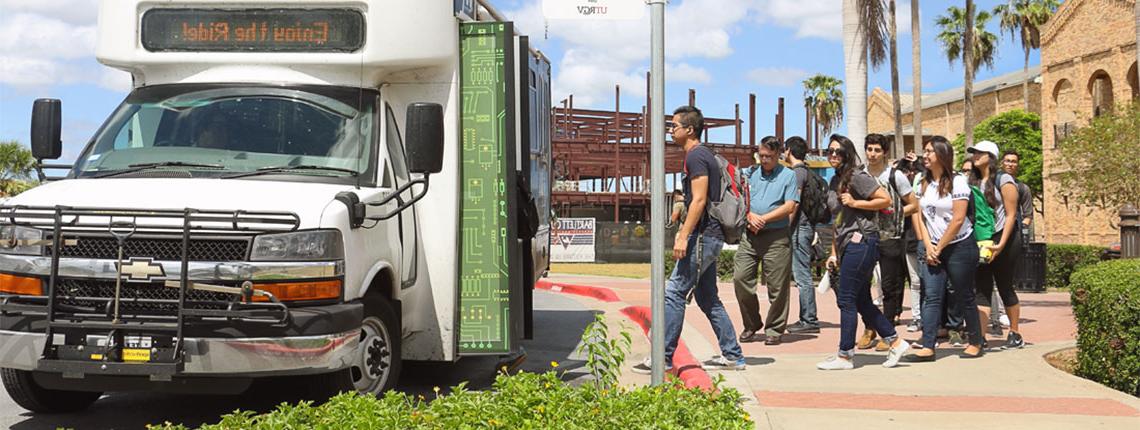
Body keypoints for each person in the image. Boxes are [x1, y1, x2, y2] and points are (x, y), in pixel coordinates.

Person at [632, 106, 745, 374]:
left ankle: (662, 356)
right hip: (710, 236)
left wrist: (683, 236)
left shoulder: (696, 156)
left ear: (689, 130)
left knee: (674, 293)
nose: (671, 131)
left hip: (703, 236)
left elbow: (700, 200)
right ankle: (733, 355)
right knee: (707, 298)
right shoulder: (702, 155)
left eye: (675, 126)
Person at [816, 134, 910, 370]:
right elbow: (838, 220)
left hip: (863, 242)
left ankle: (845, 355)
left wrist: (856, 203)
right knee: (861, 301)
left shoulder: (857, 176)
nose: (833, 156)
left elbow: (885, 199)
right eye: (830, 152)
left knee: (846, 299)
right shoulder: (835, 180)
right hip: (848, 244)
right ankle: (895, 342)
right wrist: (834, 252)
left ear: (848, 154)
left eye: (838, 152)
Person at [907, 136, 986, 362]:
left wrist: (939, 247)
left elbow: (958, 219)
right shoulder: (923, 181)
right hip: (933, 247)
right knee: (931, 296)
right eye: (925, 151)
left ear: (942, 154)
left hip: (959, 246)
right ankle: (928, 345)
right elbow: (919, 215)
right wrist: (928, 244)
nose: (926, 155)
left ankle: (975, 341)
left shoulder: (958, 181)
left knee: (964, 295)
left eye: (930, 151)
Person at [733, 136, 798, 345]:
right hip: (749, 235)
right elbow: (738, 197)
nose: (764, 160)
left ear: (778, 155)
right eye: (761, 155)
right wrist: (749, 216)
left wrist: (764, 219)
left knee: (777, 287)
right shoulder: (750, 173)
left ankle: (774, 329)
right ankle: (752, 323)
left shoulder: (788, 176)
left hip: (777, 237)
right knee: (740, 278)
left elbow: (790, 206)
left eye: (769, 156)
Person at [862, 134, 919, 352]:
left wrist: (893, 215)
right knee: (862, 285)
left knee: (890, 286)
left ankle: (888, 332)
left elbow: (913, 204)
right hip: (866, 236)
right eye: (869, 149)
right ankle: (869, 327)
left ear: (885, 152)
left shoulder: (895, 176)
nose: (873, 154)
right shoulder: (861, 174)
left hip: (892, 237)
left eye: (877, 150)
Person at [968, 141, 1026, 349]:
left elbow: (1011, 215)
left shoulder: (1004, 179)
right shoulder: (973, 181)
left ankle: (1015, 332)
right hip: (982, 240)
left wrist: (1001, 244)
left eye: (979, 153)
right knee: (981, 288)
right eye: (973, 153)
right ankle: (981, 336)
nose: (975, 156)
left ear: (990, 156)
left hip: (1005, 239)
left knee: (1004, 286)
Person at [784, 136, 821, 335]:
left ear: (788, 150)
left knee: (802, 275)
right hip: (806, 227)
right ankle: (807, 317)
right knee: (801, 274)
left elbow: (794, 203)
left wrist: (785, 228)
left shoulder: (797, 173)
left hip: (799, 229)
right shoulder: (808, 171)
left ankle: (809, 318)